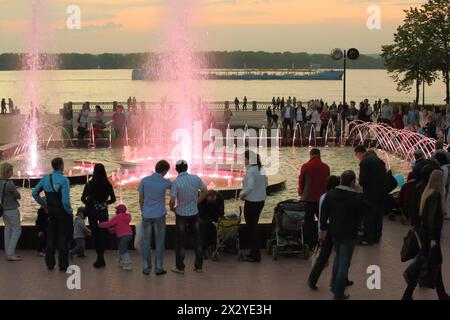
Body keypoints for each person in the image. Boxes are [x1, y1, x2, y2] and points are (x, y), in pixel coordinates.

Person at [402, 170, 449, 300]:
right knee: (428, 263)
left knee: (433, 262)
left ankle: (441, 294)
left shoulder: (427, 192)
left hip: (425, 235)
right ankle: (408, 293)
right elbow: (431, 218)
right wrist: (434, 238)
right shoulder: (436, 196)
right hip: (431, 238)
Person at [320, 170, 366, 300]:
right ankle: (338, 292)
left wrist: (323, 227)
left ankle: (334, 286)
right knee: (344, 262)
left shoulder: (330, 194)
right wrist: (360, 192)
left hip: (334, 231)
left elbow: (324, 212)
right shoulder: (355, 197)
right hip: (349, 233)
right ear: (352, 182)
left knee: (338, 258)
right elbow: (367, 208)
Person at [308, 175, 352, 290]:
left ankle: (313, 279)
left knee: (324, 256)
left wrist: (321, 230)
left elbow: (322, 216)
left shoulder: (324, 196)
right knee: (341, 256)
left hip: (325, 229)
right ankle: (342, 279)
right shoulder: (335, 197)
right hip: (333, 229)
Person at [32, 158, 73, 271]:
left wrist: (44, 204)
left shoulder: (46, 178)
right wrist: (69, 211)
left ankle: (50, 263)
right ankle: (63, 264)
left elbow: (34, 193)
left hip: (50, 212)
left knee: (50, 236)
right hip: (62, 212)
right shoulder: (64, 180)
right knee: (63, 237)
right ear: (61, 166)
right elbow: (65, 201)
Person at [170, 160, 208, 273]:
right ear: (187, 167)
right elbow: (205, 191)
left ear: (176, 169)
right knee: (197, 240)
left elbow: (172, 201)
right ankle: (199, 266)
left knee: (180, 241)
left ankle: (180, 267)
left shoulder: (176, 182)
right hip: (194, 213)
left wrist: (172, 208)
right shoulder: (195, 178)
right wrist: (196, 201)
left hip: (181, 214)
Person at [138, 160, 172, 276]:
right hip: (159, 215)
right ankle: (159, 267)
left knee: (146, 242)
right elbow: (174, 188)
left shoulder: (144, 180)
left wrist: (143, 211)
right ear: (164, 171)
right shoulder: (165, 182)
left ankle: (146, 268)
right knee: (160, 242)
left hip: (146, 214)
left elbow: (141, 199)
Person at [81, 163, 116, 268]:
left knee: (95, 234)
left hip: (92, 212)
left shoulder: (90, 184)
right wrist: (104, 203)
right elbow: (113, 199)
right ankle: (101, 257)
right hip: (103, 212)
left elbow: (83, 198)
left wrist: (91, 203)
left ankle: (99, 258)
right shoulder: (107, 184)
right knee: (103, 234)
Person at [354, 146, 388, 245]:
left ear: (359, 153)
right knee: (378, 214)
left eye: (356, 155)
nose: (357, 157)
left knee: (368, 214)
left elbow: (363, 180)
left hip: (371, 193)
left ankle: (367, 238)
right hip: (381, 192)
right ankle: (376, 235)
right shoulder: (377, 159)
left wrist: (361, 184)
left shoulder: (365, 161)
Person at [298, 148, 330, 248]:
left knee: (309, 222)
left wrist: (301, 193)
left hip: (308, 199)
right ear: (319, 155)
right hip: (322, 199)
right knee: (322, 221)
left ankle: (310, 243)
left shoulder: (306, 166)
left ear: (311, 155)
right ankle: (324, 241)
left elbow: (301, 182)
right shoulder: (326, 167)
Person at [239, 151, 268, 262]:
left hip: (252, 202)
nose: (243, 161)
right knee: (254, 226)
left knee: (252, 228)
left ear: (248, 160)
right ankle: (254, 252)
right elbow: (266, 183)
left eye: (244, 159)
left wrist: (243, 195)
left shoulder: (250, 171)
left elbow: (250, 186)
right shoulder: (261, 169)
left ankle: (255, 255)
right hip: (260, 201)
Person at [99, 204, 133, 271]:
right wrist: (114, 230)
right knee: (122, 248)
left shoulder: (118, 217)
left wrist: (100, 225)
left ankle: (128, 264)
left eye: (116, 209)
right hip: (129, 234)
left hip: (123, 236)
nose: (115, 211)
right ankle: (121, 261)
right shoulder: (127, 217)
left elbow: (109, 223)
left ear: (118, 210)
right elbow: (121, 226)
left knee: (123, 250)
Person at [0, 163, 22, 261]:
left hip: (3, 209)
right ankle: (10, 253)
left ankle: (8, 252)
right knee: (17, 230)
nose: (12, 173)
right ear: (7, 172)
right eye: (11, 171)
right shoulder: (9, 183)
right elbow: (18, 195)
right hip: (12, 209)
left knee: (7, 229)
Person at [198, 190, 224, 258]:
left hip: (215, 215)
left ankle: (214, 247)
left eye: (213, 201)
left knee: (216, 229)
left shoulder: (219, 197)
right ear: (206, 198)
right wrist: (211, 221)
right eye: (210, 201)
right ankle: (203, 248)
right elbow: (201, 214)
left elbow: (221, 210)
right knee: (205, 226)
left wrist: (219, 218)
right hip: (205, 217)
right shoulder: (202, 200)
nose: (212, 202)